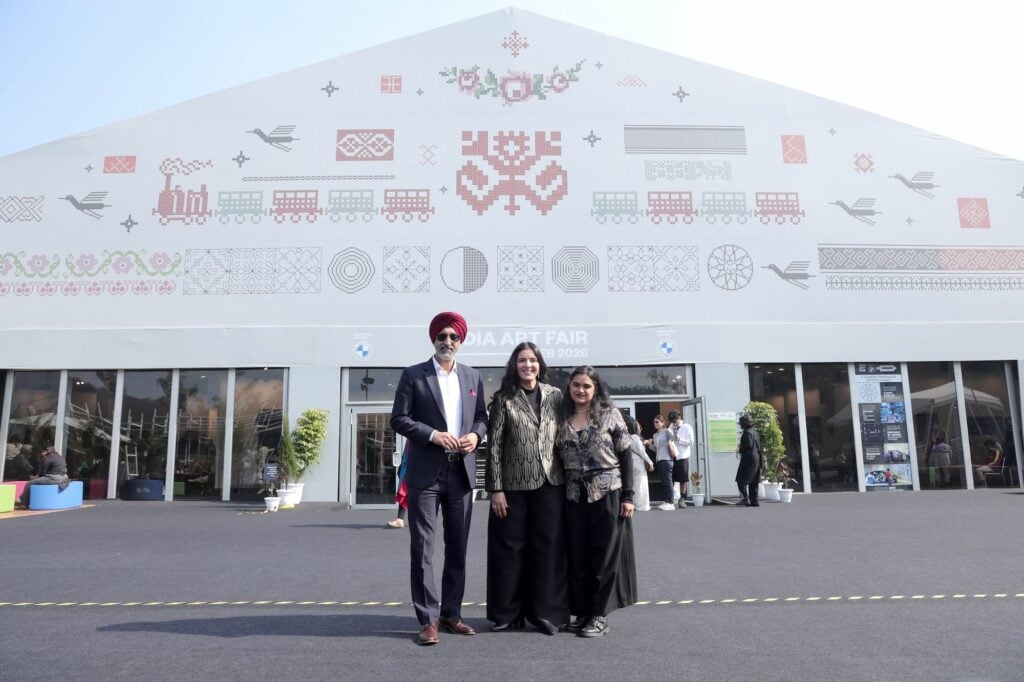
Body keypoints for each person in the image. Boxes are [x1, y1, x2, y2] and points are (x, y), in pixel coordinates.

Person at [390, 311, 488, 646]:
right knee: (423, 549)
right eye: (442, 336)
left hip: (461, 472)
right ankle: (427, 620)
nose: (448, 342)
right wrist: (432, 435)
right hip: (425, 474)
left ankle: (451, 614)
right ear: (433, 339)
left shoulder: (473, 377)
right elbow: (399, 419)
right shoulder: (413, 375)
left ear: (461, 341)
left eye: (454, 337)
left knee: (457, 548)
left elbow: (482, 418)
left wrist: (476, 436)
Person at [485, 342, 567, 635]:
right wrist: (495, 489)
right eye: (522, 360)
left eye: (532, 360)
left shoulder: (557, 396)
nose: (528, 365)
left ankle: (547, 614)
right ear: (514, 365)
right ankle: (508, 614)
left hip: (551, 484)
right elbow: (493, 446)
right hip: (512, 487)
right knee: (510, 551)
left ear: (540, 365)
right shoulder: (503, 399)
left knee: (549, 550)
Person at [558, 366, 637, 638]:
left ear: (596, 389)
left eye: (587, 386)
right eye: (576, 385)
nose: (581, 390)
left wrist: (629, 496)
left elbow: (627, 456)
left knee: (604, 558)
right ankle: (581, 612)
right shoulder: (562, 416)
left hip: (608, 493)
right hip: (573, 496)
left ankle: (599, 614)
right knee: (578, 556)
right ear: (569, 387)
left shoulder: (610, 414)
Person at [16, 444, 70, 509]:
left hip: (53, 478)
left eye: (43, 451)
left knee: (29, 483)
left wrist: (33, 478)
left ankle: (23, 504)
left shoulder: (47, 458)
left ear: (47, 451)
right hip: (63, 478)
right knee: (35, 482)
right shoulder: (60, 457)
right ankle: (22, 498)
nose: (42, 453)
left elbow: (42, 473)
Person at [646, 414, 676, 511]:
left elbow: (674, 438)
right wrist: (650, 445)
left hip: (667, 459)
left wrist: (672, 428)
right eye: (654, 422)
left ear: (662, 423)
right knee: (664, 481)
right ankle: (667, 500)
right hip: (659, 459)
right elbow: (657, 449)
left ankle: (671, 502)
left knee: (668, 480)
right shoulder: (655, 435)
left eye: (657, 422)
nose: (655, 424)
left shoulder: (667, 432)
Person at [625, 414, 654, 512]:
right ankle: (640, 505)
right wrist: (650, 462)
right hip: (638, 463)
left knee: (633, 483)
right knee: (640, 484)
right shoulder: (635, 438)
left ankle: (633, 502)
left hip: (630, 462)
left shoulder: (626, 437)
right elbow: (643, 453)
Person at [668, 410, 694, 507]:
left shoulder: (687, 427)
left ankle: (682, 499)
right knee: (672, 477)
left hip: (683, 455)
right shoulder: (670, 427)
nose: (673, 423)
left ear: (679, 418)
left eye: (674, 421)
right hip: (673, 455)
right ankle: (671, 498)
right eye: (672, 421)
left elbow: (691, 442)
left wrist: (679, 439)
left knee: (683, 478)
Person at [735, 414, 762, 507]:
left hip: (748, 458)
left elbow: (748, 445)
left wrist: (740, 449)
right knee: (754, 480)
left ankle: (744, 499)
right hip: (757, 458)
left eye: (741, 423)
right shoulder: (755, 432)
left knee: (740, 479)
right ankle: (754, 501)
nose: (740, 425)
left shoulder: (747, 433)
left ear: (745, 423)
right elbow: (759, 447)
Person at [386, 442, 409, 529]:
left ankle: (401, 519)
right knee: (404, 492)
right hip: (408, 465)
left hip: (414, 466)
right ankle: (400, 519)